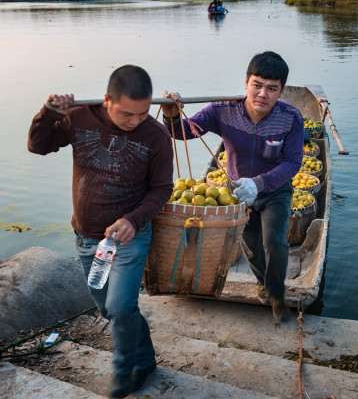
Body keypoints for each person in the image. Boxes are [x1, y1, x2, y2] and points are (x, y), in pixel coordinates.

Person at [28, 65, 174, 398]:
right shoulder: (79, 117)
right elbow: (39, 146)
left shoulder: (156, 136)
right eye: (127, 113)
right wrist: (48, 113)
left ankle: (123, 372)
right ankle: (146, 359)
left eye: (143, 112)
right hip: (87, 238)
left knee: (121, 307)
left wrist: (133, 221)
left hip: (130, 237)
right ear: (107, 99)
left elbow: (161, 189)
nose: (135, 120)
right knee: (109, 309)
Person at [161, 51, 303, 323]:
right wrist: (171, 115)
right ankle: (263, 282)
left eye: (272, 89)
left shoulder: (291, 119)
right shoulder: (222, 109)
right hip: (236, 192)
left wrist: (259, 183)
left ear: (281, 91)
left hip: (275, 190)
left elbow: (292, 162)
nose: (263, 94)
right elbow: (184, 131)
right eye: (257, 85)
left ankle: (276, 293)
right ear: (246, 82)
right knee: (250, 244)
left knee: (274, 242)